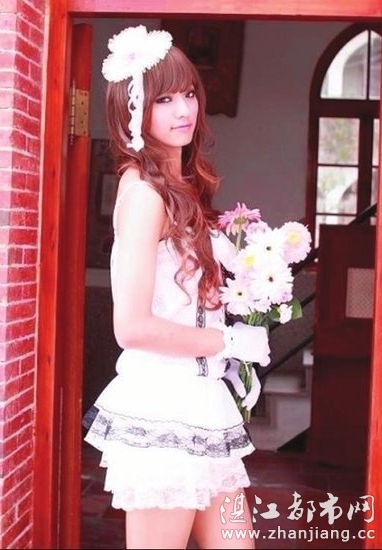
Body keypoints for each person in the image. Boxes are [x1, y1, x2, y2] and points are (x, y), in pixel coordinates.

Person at [84, 24, 271, 550]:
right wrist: (227, 342)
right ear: (133, 111)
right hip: (163, 407)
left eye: (188, 93)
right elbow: (131, 327)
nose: (184, 109)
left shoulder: (179, 187)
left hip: (203, 403)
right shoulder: (145, 194)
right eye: (163, 99)